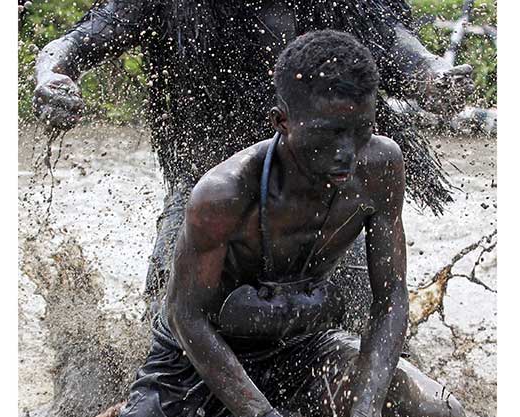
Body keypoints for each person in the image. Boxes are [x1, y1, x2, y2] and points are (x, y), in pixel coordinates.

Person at [32, 30, 487, 417]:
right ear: (282, 123)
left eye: (359, 132)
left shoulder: (380, 167)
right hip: (192, 367)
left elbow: (391, 298)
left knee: (438, 411)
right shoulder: (223, 196)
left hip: (303, 345)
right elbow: (187, 318)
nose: (345, 155)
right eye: (327, 136)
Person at [31, 0, 474, 312]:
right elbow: (78, 42)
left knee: (364, 310)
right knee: (168, 320)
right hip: (208, 190)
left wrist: (431, 75)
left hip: (319, 189)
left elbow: (387, 38)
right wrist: (53, 76)